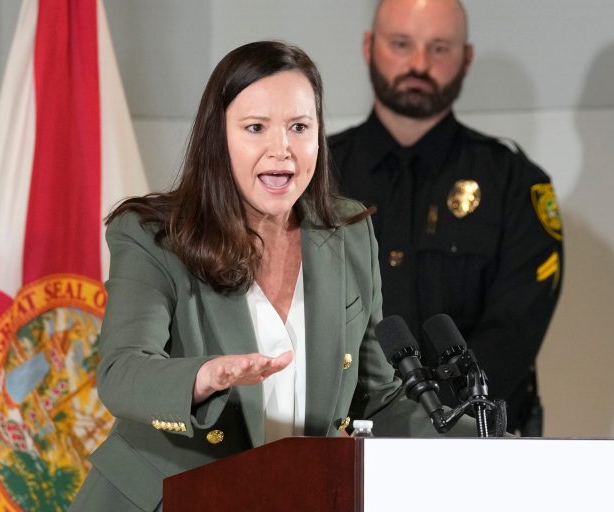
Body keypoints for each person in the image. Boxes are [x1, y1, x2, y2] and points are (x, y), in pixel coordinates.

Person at [70, 41, 474, 512]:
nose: (280, 150)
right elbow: (121, 372)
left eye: (299, 127)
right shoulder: (154, 235)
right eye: (255, 128)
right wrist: (202, 377)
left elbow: (376, 398)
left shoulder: (348, 234)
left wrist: (491, 441)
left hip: (289, 497)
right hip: (164, 500)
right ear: (217, 137)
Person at [328, 0, 563, 436]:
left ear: (465, 58)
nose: (419, 63)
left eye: (439, 48)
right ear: (368, 46)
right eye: (401, 44)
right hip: (345, 443)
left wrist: (425, 425)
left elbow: (513, 332)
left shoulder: (515, 183)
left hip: (477, 446)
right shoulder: (317, 175)